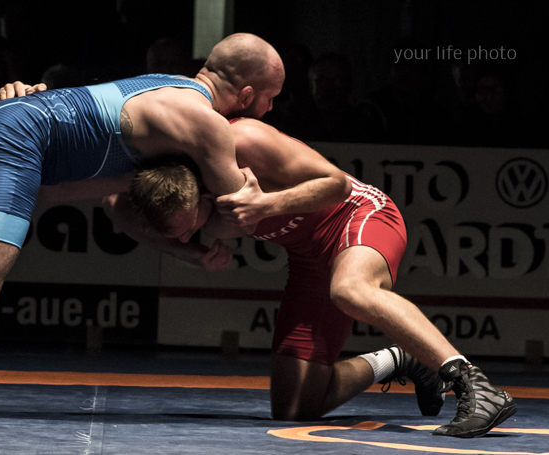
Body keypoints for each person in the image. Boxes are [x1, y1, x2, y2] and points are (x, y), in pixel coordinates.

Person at [0, 32, 285, 423]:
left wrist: (186, 252)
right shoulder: (208, 125)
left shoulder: (165, 86)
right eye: (270, 99)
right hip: (18, 140)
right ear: (246, 95)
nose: (268, 111)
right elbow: (238, 217)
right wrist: (272, 194)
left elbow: (116, 207)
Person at [102, 117, 516, 438]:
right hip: (308, 258)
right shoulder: (152, 181)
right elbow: (112, 203)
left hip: (358, 215)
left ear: (207, 192)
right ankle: (399, 359)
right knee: (294, 408)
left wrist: (266, 205)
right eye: (179, 235)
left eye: (192, 227)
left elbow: (336, 185)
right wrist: (188, 253)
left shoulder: (243, 142)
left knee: (350, 289)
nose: (191, 236)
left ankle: (472, 382)